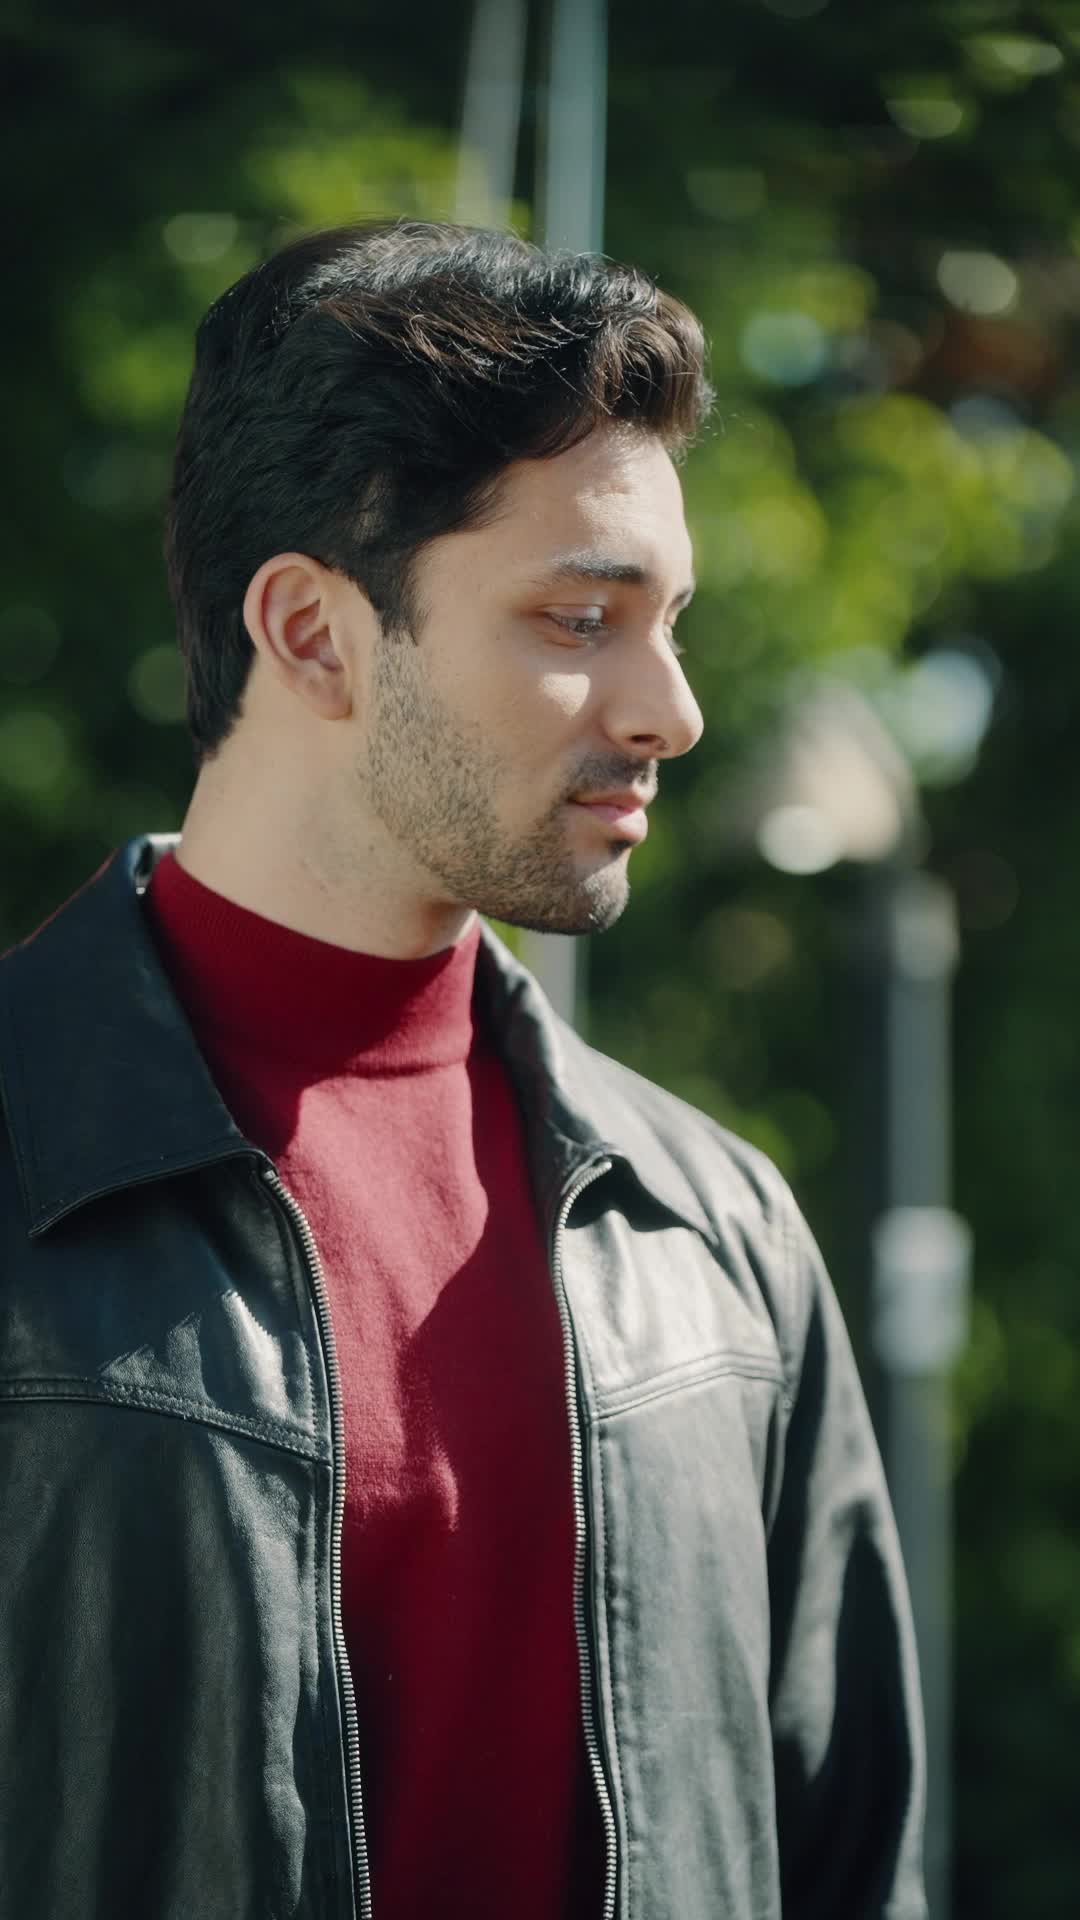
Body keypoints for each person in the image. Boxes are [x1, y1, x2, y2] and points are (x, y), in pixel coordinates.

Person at [0, 220, 926, 1920]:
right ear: (312, 633)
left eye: (671, 622)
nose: (671, 711)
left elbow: (855, 1862)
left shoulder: (713, 1234)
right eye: (582, 617)